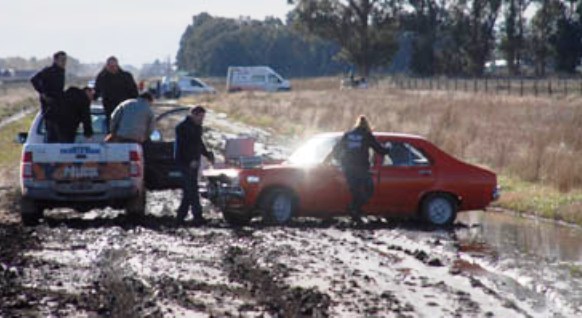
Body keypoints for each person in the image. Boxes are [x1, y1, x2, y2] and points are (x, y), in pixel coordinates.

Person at [329, 115, 389, 223]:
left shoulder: (348, 135)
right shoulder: (366, 135)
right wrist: (388, 148)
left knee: (355, 191)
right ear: (367, 125)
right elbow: (380, 150)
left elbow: (336, 150)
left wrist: (341, 162)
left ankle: (354, 211)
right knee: (368, 190)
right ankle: (353, 209)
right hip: (361, 167)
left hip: (348, 168)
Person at [174, 105, 215, 226]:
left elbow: (198, 143)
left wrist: (207, 154)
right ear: (193, 114)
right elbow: (184, 147)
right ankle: (198, 216)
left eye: (203, 117)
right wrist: (190, 160)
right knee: (192, 189)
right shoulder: (183, 127)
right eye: (200, 117)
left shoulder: (197, 127)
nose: (202, 119)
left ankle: (180, 217)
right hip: (185, 162)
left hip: (194, 162)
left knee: (189, 190)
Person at [94, 56, 138, 132]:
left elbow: (134, 92)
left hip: (125, 108)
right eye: (110, 66)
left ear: (117, 66)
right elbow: (96, 91)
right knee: (111, 129)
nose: (112, 68)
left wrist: (134, 105)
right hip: (109, 108)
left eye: (114, 66)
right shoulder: (102, 77)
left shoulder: (126, 76)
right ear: (106, 66)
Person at [30, 51, 67, 143]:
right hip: (49, 106)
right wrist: (43, 93)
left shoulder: (61, 72)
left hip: (58, 105)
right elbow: (34, 79)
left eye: (65, 60)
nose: (64, 62)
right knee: (51, 131)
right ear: (55, 60)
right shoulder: (49, 71)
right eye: (62, 60)